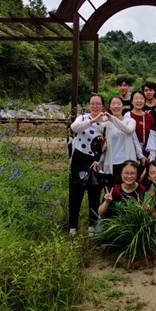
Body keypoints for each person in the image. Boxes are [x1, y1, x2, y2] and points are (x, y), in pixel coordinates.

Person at [69, 93, 106, 236]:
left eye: (98, 104)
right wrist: (92, 120)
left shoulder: (106, 122)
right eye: (92, 103)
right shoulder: (83, 118)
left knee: (94, 193)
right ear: (89, 105)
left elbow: (107, 143)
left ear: (102, 106)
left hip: (96, 160)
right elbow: (74, 128)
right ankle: (72, 227)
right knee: (76, 193)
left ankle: (92, 227)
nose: (95, 106)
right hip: (79, 158)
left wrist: (100, 159)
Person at [96, 97, 143, 183]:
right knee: (113, 189)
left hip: (127, 163)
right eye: (113, 104)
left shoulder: (130, 121)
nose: (116, 106)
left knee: (127, 188)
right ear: (110, 107)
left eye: (118, 104)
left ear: (123, 106)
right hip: (111, 163)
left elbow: (128, 130)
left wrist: (112, 118)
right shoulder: (106, 123)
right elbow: (103, 144)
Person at [129, 90, 156, 183]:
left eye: (141, 98)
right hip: (132, 152)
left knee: (146, 180)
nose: (139, 101)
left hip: (146, 152)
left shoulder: (149, 116)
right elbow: (131, 137)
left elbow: (153, 136)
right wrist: (140, 156)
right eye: (136, 98)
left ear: (144, 101)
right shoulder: (128, 116)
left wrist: (152, 155)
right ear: (132, 101)